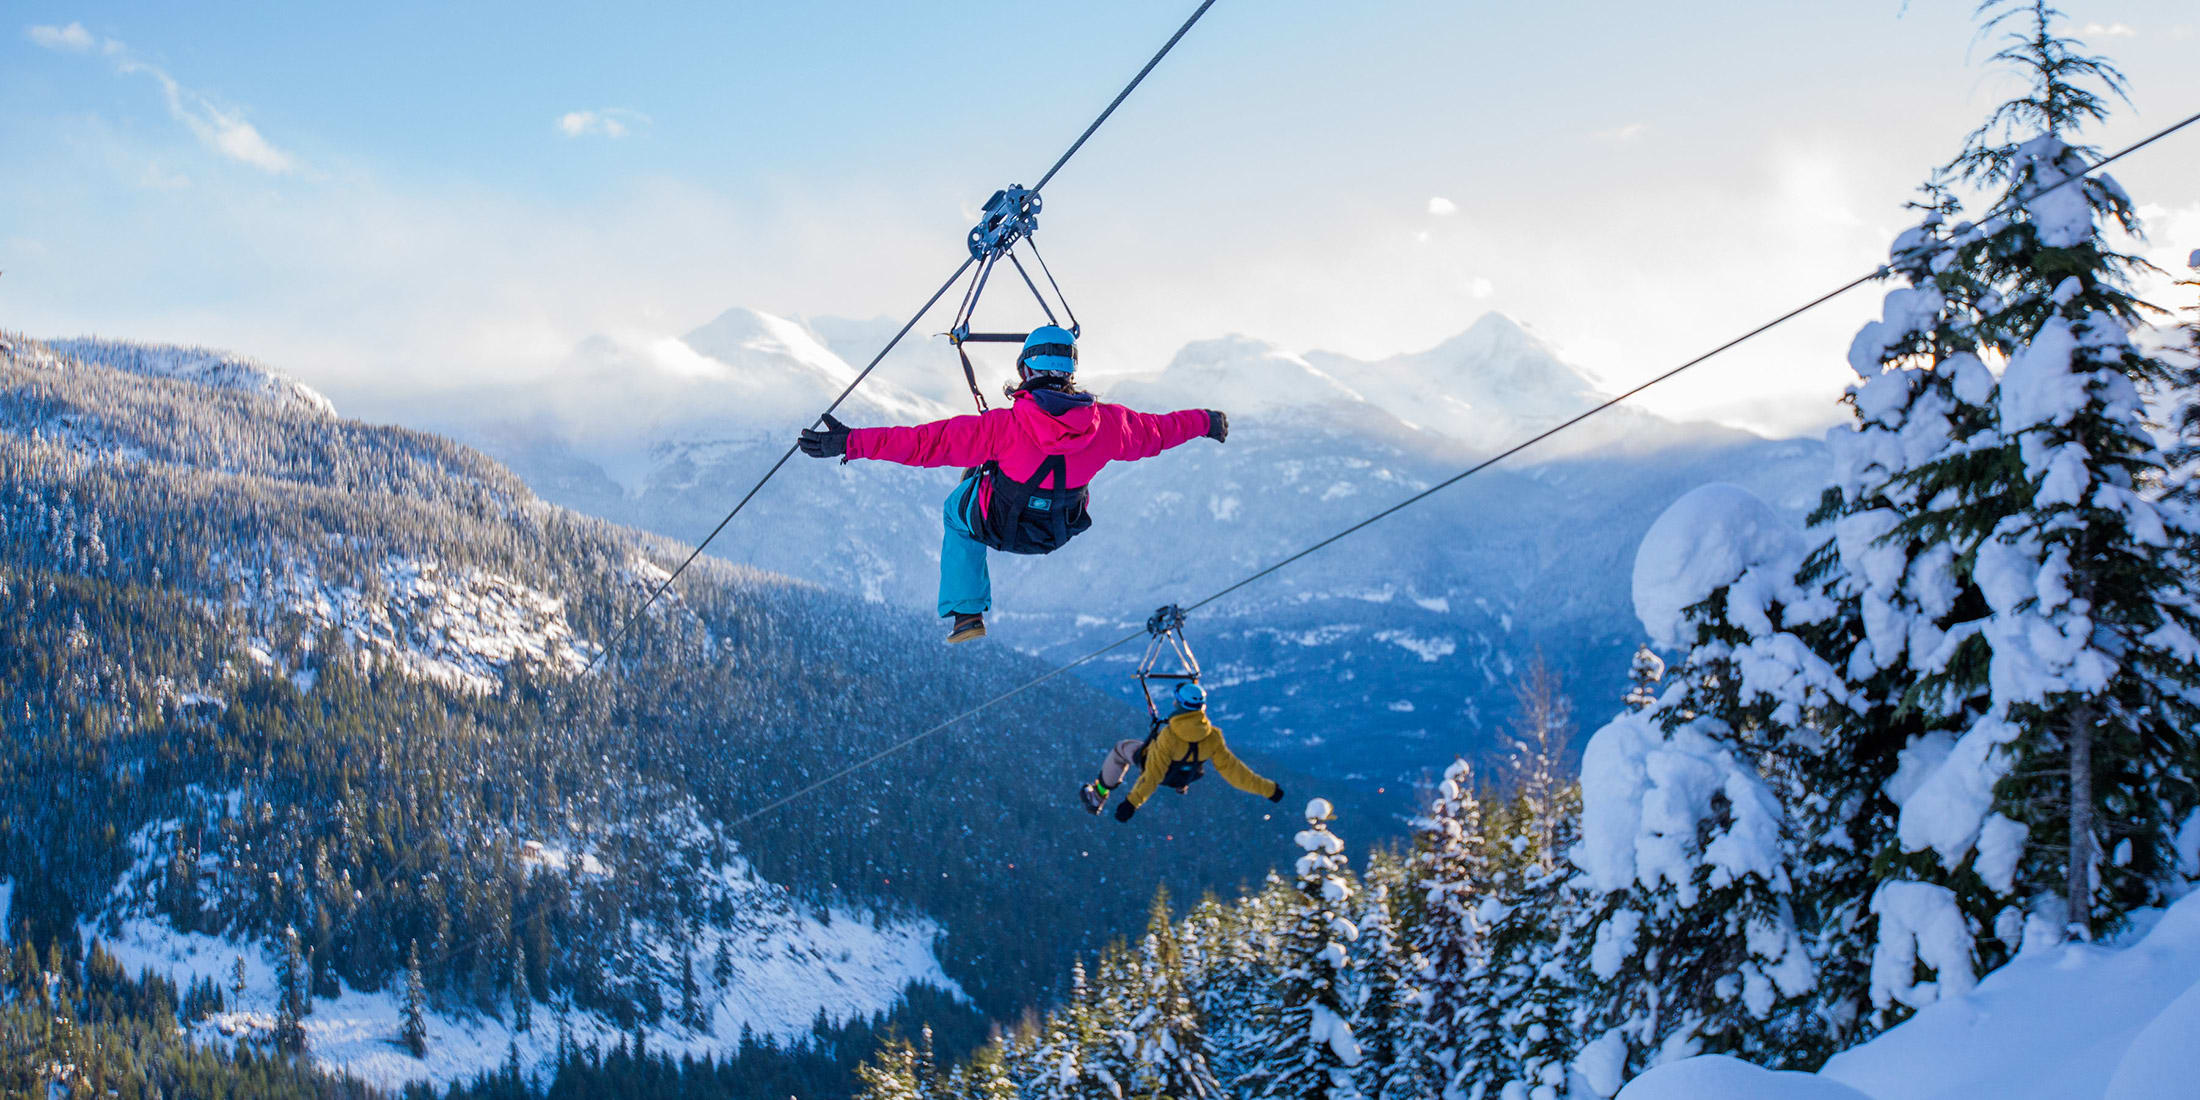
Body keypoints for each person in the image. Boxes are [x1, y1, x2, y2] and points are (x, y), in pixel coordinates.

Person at [797, 326, 1227, 643]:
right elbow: (1160, 431)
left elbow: (922, 444)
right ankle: (967, 609)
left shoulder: (1003, 427)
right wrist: (1206, 421)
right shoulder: (1109, 425)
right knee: (986, 490)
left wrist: (851, 441)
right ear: (1071, 373)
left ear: (1025, 369)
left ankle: (966, 614)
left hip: (999, 524)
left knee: (956, 510)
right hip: (1054, 531)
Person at [1081, 681, 1284, 821]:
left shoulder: (1170, 736)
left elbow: (1152, 774)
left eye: (1176, 700)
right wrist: (1268, 789)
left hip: (1162, 771)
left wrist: (1131, 803)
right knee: (1178, 762)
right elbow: (1235, 773)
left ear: (1179, 704)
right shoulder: (1212, 736)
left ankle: (1098, 796)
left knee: (1121, 749)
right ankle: (1180, 784)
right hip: (1186, 776)